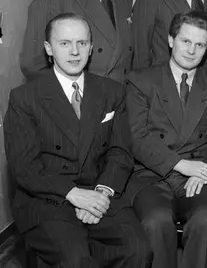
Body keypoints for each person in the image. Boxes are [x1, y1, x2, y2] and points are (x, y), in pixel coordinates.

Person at [4, 13, 152, 267]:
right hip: (48, 198)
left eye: (82, 43)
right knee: (76, 259)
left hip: (100, 189)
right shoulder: (25, 98)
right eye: (64, 43)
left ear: (91, 47)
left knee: (138, 250)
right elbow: (24, 167)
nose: (75, 52)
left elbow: (120, 152)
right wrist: (74, 194)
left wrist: (101, 193)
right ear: (48, 49)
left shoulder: (111, 92)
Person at [125, 10, 207, 268]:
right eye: (186, 41)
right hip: (150, 173)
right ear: (171, 40)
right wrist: (181, 165)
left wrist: (205, 171)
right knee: (156, 221)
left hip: (202, 172)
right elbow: (137, 137)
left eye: (200, 45)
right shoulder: (141, 80)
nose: (191, 50)